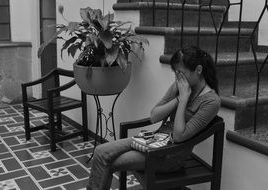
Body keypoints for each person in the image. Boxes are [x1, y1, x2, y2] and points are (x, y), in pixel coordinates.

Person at [87, 46, 221, 190]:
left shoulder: (211, 101)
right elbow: (154, 116)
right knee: (100, 151)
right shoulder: (180, 86)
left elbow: (179, 136)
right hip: (153, 141)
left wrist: (183, 100)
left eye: (181, 73)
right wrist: (178, 99)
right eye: (175, 72)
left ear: (198, 70)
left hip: (171, 155)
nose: (177, 77)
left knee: (109, 161)